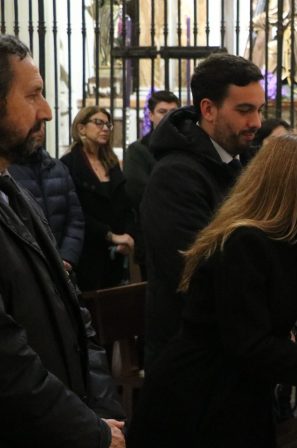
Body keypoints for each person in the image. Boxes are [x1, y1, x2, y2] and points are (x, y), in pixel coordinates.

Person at [126, 134, 297, 448]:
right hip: (199, 399)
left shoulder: (295, 240)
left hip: (241, 391)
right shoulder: (243, 243)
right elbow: (247, 343)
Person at [0, 33, 125, 448]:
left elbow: (76, 316)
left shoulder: (12, 190)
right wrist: (89, 431)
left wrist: (104, 412)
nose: (48, 111)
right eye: (33, 95)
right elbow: (8, 362)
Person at [141, 52, 264, 367]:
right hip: (193, 364)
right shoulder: (175, 175)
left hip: (236, 349)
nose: (257, 123)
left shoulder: (243, 162)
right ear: (208, 109)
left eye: (260, 110)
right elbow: (194, 273)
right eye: (244, 110)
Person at [61, 106, 135, 291]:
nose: (105, 128)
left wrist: (127, 236)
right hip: (88, 251)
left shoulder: (111, 162)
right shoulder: (69, 164)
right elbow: (76, 211)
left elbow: (125, 203)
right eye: (98, 123)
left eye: (108, 125)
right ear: (81, 128)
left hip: (116, 253)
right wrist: (110, 236)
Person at [9, 123, 85, 273]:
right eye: (34, 123)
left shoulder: (58, 168)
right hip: (25, 268)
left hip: (61, 266)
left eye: (42, 124)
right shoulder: (6, 172)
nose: (40, 129)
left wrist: (66, 258)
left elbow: (75, 218)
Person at [124, 90, 180, 279]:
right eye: (163, 111)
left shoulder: (187, 147)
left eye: (173, 111)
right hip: (152, 238)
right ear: (151, 115)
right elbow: (139, 192)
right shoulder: (138, 150)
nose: (169, 116)